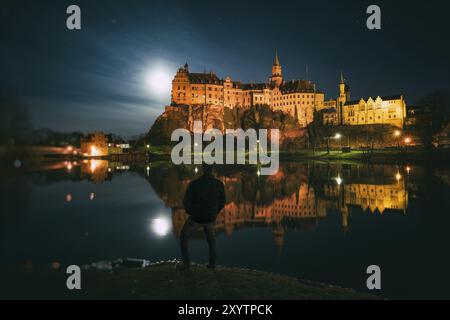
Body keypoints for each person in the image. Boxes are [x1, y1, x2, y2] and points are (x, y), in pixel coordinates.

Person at [178, 163, 225, 270]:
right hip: (210, 216)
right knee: (211, 240)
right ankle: (212, 264)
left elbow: (186, 202)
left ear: (203, 169)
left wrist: (190, 212)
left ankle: (186, 264)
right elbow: (222, 202)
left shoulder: (194, 184)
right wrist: (215, 212)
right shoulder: (219, 184)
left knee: (183, 235)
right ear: (213, 169)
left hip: (197, 216)